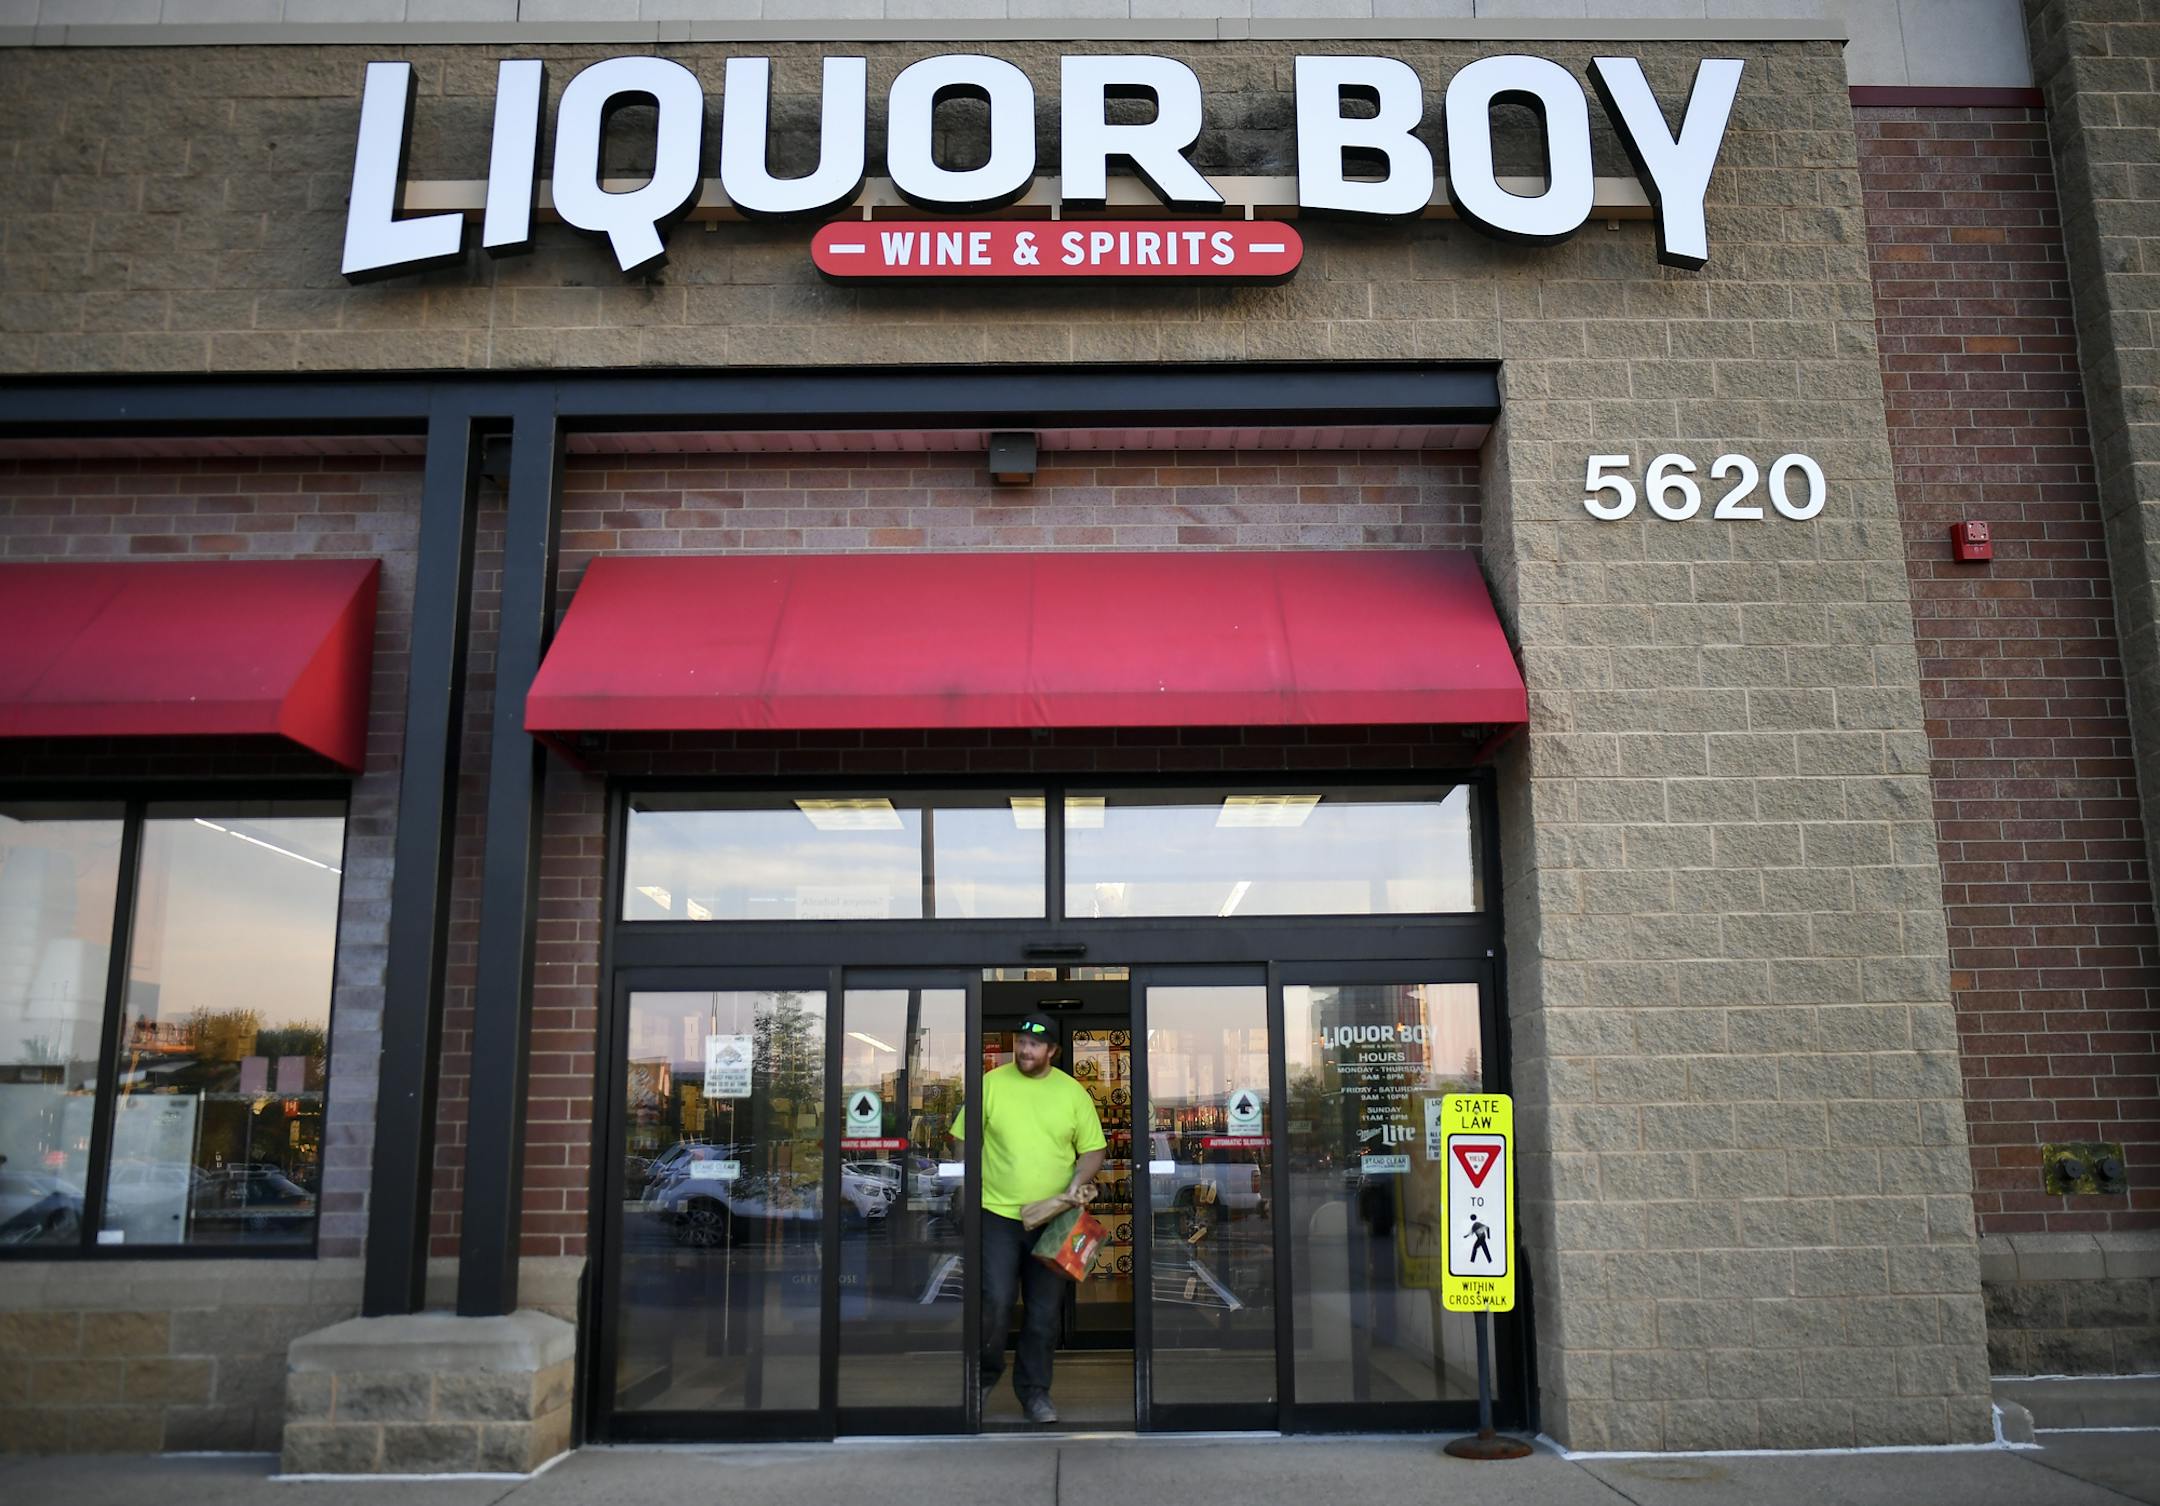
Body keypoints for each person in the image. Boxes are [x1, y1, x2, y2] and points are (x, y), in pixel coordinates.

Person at [950, 1013, 1106, 1425]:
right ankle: (983, 1377)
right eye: (1021, 1042)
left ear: (1053, 1050)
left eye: (1035, 1045)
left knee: (1042, 1313)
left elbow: (1093, 1151)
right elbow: (962, 1139)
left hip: (1053, 1221)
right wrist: (967, 1184)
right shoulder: (991, 1084)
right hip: (996, 1214)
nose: (1025, 1050)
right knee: (995, 1303)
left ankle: (1035, 1393)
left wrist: (1076, 1184)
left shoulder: (1072, 1093)